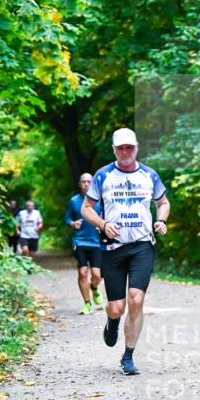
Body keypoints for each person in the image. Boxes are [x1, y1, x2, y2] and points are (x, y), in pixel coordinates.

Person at [82, 127, 169, 375]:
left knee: (137, 299)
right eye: (120, 148)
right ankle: (112, 321)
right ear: (114, 150)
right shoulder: (102, 176)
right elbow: (87, 209)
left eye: (129, 147)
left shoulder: (149, 176)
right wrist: (103, 224)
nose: (125, 152)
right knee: (117, 307)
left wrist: (161, 220)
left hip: (142, 245)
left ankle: (128, 356)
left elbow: (163, 203)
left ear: (137, 147)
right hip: (113, 248)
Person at [65, 173, 105, 315]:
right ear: (79, 184)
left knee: (97, 275)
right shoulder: (74, 201)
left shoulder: (101, 200)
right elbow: (67, 218)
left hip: (97, 242)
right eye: (84, 182)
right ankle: (87, 303)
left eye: (89, 181)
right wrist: (72, 223)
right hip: (80, 241)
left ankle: (94, 288)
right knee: (82, 272)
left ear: (93, 184)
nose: (86, 184)